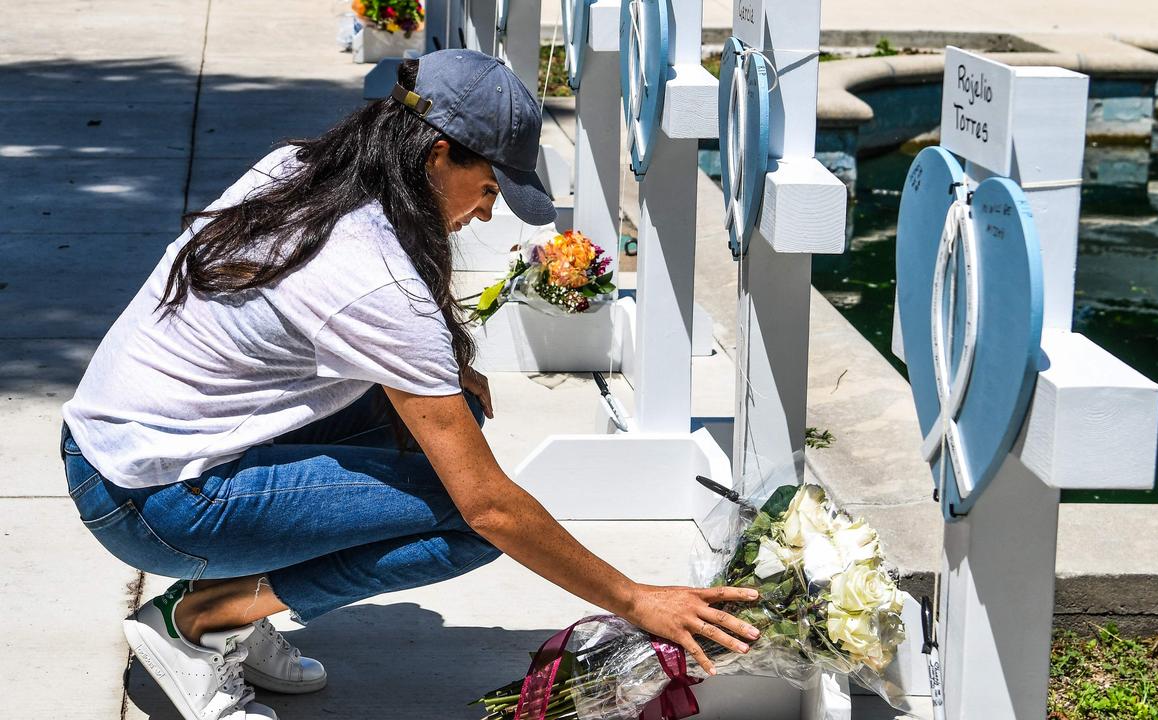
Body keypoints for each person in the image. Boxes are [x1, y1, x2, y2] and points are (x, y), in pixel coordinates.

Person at [60, 50, 759, 720]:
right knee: (467, 524)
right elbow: (490, 508)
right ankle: (203, 617)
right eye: (490, 188)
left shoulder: (301, 167)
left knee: (448, 432)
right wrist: (638, 600)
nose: (488, 212)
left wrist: (448, 364)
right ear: (437, 155)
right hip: (152, 503)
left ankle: (231, 594)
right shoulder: (374, 279)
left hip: (107, 446)